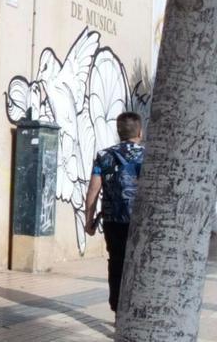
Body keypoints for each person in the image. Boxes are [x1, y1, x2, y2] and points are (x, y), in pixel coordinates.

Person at [84, 112, 145, 313]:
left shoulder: (104, 156)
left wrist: (89, 221)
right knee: (140, 264)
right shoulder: (148, 156)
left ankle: (117, 308)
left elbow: (93, 190)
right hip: (141, 222)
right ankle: (135, 310)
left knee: (117, 262)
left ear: (118, 132)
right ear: (140, 132)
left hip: (113, 220)